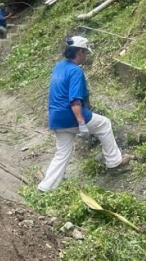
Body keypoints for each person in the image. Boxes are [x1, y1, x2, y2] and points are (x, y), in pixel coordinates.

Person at [37, 36, 131, 192]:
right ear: (79, 52)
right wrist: (81, 123)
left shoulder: (58, 67)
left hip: (55, 118)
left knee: (62, 153)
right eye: (85, 53)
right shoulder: (76, 71)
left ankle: (45, 187)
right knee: (104, 124)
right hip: (71, 115)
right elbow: (74, 100)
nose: (86, 56)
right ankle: (115, 162)